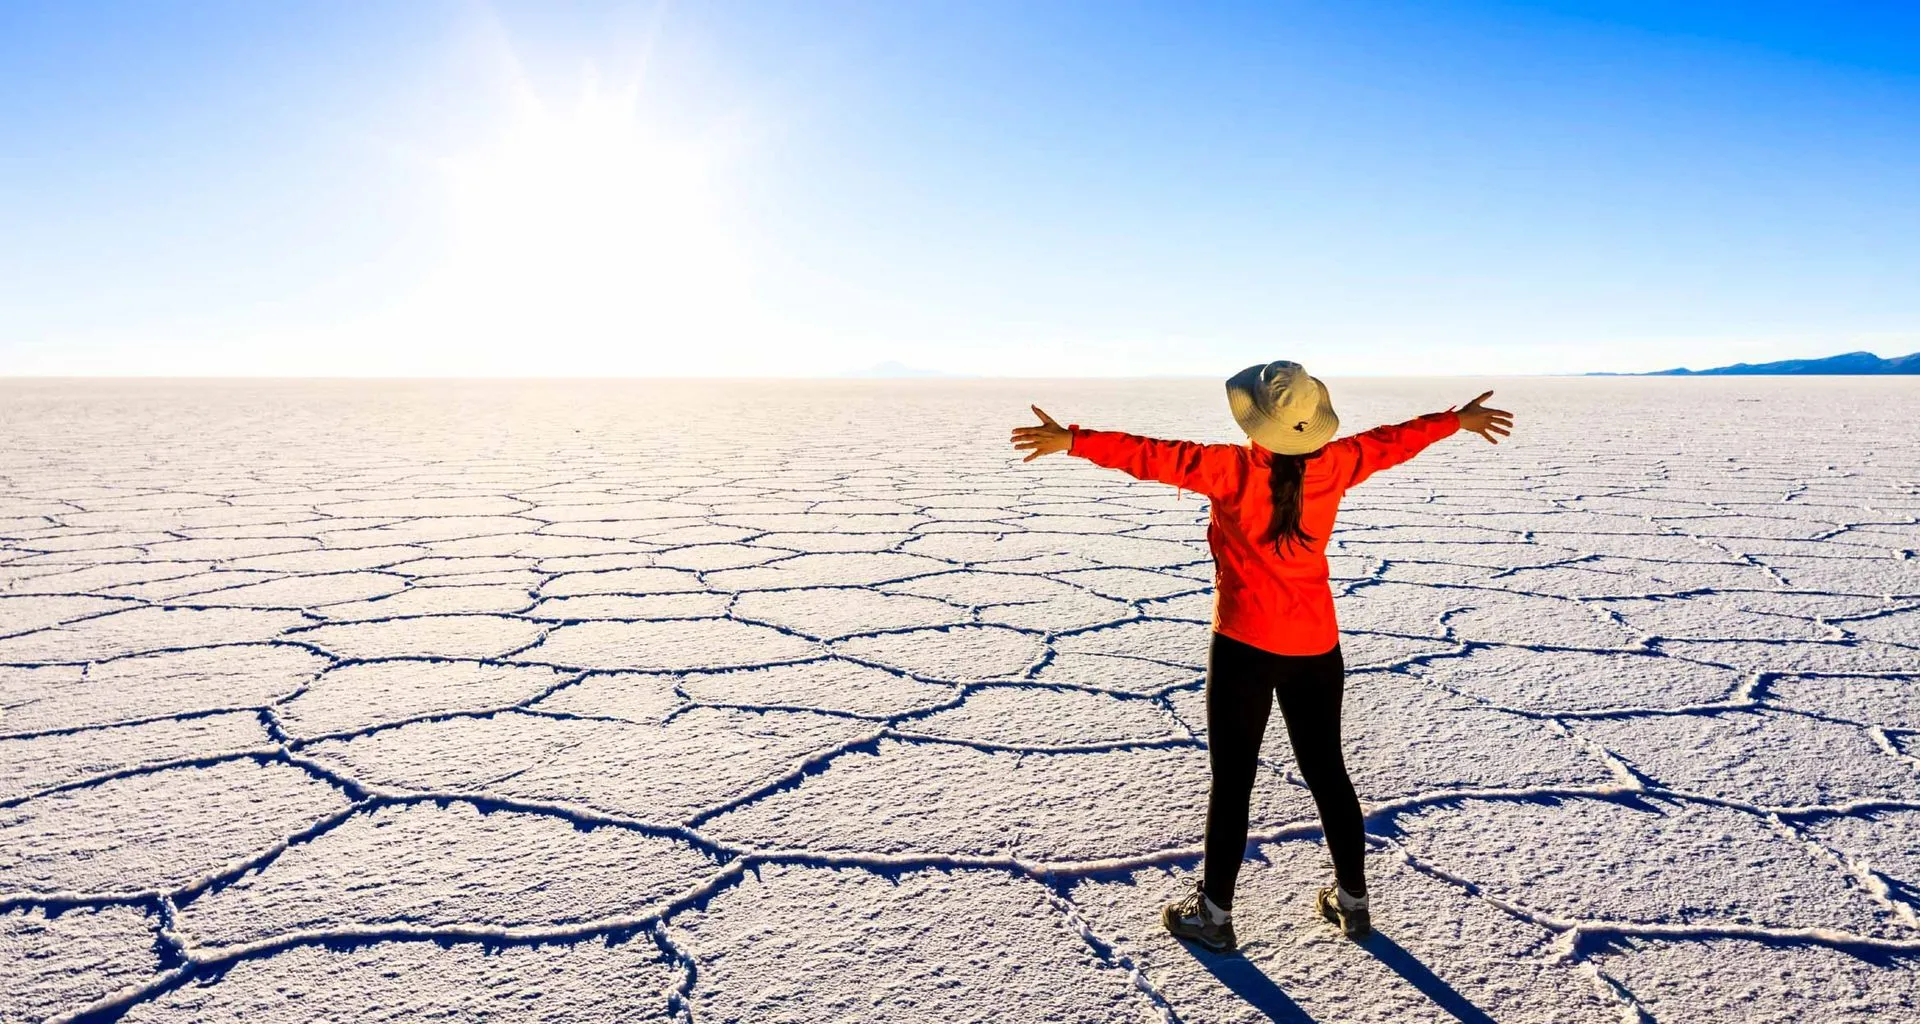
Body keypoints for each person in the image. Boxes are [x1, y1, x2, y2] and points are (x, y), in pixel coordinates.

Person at [1009, 361, 1513, 951]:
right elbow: (1392, 441)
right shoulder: (1339, 462)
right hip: (1315, 646)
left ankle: (1215, 918)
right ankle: (1353, 904)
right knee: (1328, 772)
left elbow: (1153, 455)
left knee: (1234, 783)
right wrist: (1454, 420)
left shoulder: (1229, 469)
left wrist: (1073, 440)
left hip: (1245, 644)